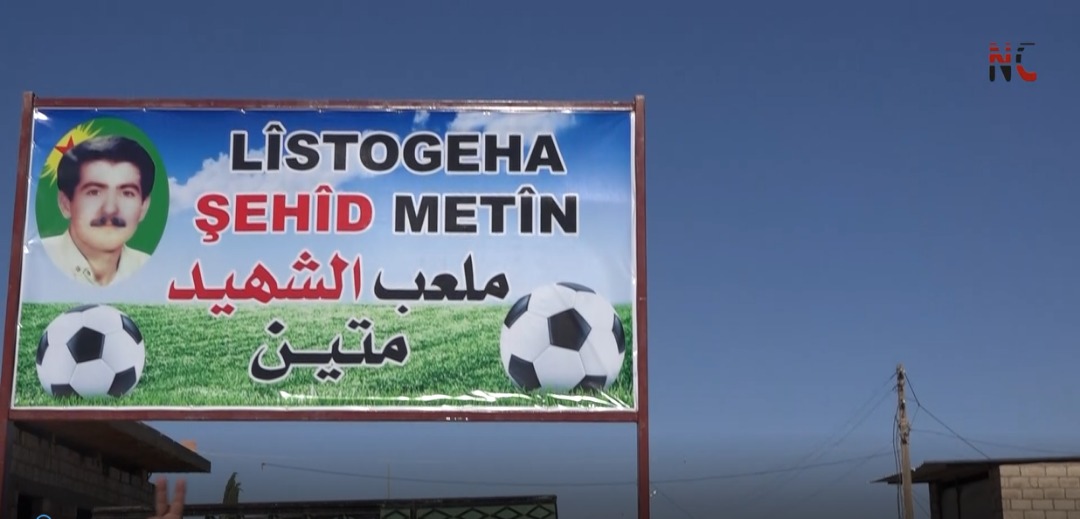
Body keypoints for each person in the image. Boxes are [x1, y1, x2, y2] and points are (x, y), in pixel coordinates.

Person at [41, 134, 156, 287]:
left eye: (127, 193)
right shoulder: (38, 260)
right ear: (65, 204)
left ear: (144, 206)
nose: (110, 209)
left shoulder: (152, 270)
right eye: (94, 192)